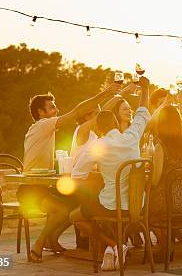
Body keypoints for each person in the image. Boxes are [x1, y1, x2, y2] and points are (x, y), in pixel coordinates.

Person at [21, 83, 120, 262]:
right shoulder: (42, 125)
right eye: (51, 107)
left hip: (45, 186)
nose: (56, 109)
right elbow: (76, 112)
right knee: (62, 210)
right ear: (41, 112)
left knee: (76, 202)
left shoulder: (47, 128)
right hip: (31, 189)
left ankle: (54, 239)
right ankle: (38, 245)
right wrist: (106, 92)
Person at [69, 76, 151, 271]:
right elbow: (143, 113)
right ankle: (115, 247)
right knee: (100, 208)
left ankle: (114, 246)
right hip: (137, 205)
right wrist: (145, 90)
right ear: (115, 122)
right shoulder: (132, 136)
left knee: (75, 217)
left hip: (109, 206)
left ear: (98, 127)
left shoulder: (98, 145)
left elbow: (77, 175)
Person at [149, 92, 182, 260]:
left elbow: (155, 179)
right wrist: (181, 103)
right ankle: (169, 243)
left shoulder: (161, 146)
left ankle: (165, 245)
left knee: (145, 209)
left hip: (168, 201)